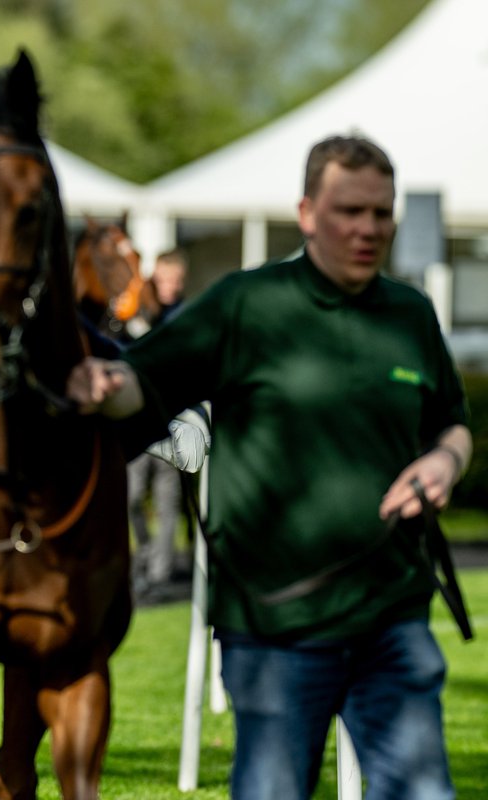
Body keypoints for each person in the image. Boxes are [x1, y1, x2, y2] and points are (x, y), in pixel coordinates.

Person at [69, 135, 471, 800]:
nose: (368, 228)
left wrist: (443, 462)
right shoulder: (244, 305)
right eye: (349, 211)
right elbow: (145, 382)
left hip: (392, 616)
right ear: (307, 212)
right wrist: (104, 385)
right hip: (276, 627)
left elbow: (452, 423)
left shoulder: (411, 315)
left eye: (381, 212)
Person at [126, 250, 191, 595]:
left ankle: (160, 574)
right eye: (164, 279)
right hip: (138, 424)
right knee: (132, 496)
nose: (170, 287)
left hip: (172, 424)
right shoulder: (136, 315)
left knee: (168, 502)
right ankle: (146, 554)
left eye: (176, 281)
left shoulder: (185, 319)